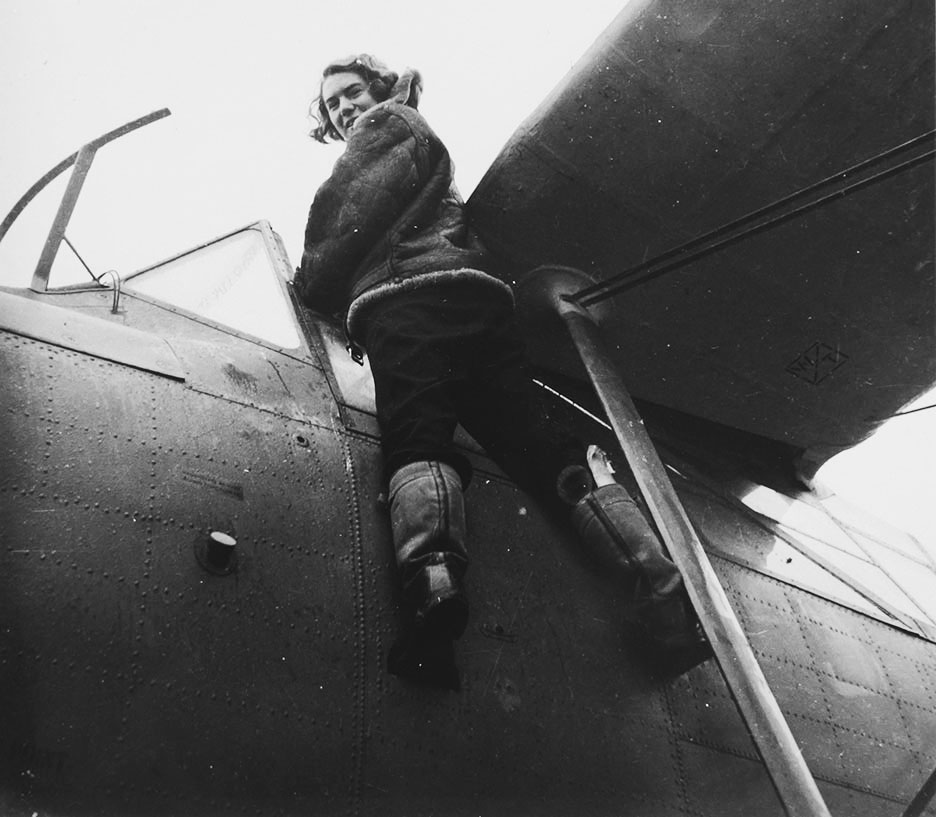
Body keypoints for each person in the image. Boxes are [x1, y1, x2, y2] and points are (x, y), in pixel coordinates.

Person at [294, 54, 710, 688]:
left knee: (417, 436)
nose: (346, 108)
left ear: (377, 90)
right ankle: (664, 601)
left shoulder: (389, 123)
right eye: (333, 105)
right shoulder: (416, 141)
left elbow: (343, 213)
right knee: (542, 449)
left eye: (352, 92)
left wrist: (312, 284)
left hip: (408, 300)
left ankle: (433, 586)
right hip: (477, 305)